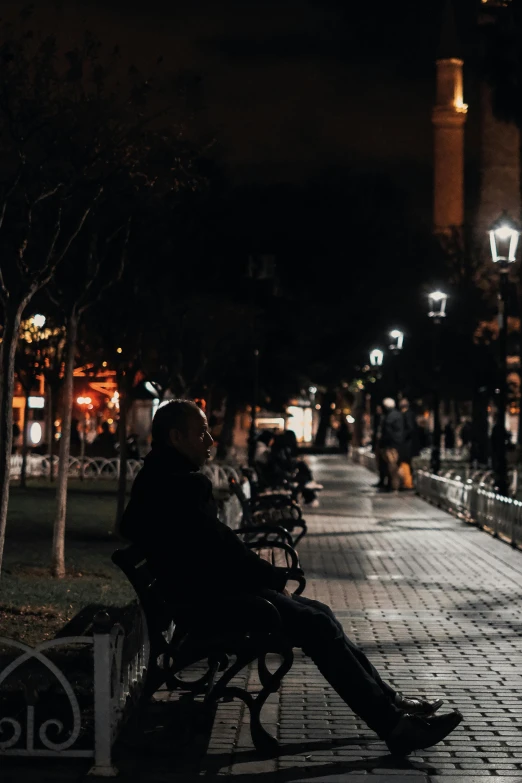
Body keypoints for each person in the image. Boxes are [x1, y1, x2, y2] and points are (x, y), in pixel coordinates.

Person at [120, 399, 462, 755]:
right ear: (176, 437)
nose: (210, 441)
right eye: (202, 432)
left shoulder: (159, 480)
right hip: (210, 607)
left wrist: (266, 578)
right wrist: (270, 576)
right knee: (318, 624)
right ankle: (395, 726)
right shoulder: (180, 486)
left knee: (322, 616)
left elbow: (211, 549)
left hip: (202, 598)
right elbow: (221, 550)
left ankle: (392, 705)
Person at [377, 398, 404, 493]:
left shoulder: (389, 417)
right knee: (393, 466)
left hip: (391, 445)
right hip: (397, 444)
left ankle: (394, 486)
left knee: (392, 467)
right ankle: (394, 485)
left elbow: (387, 432)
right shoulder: (398, 415)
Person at [398, 398, 418, 491]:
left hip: (407, 444)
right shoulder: (410, 414)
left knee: (406, 462)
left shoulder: (407, 415)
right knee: (406, 462)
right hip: (409, 443)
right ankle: (407, 482)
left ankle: (408, 483)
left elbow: (410, 428)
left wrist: (402, 436)